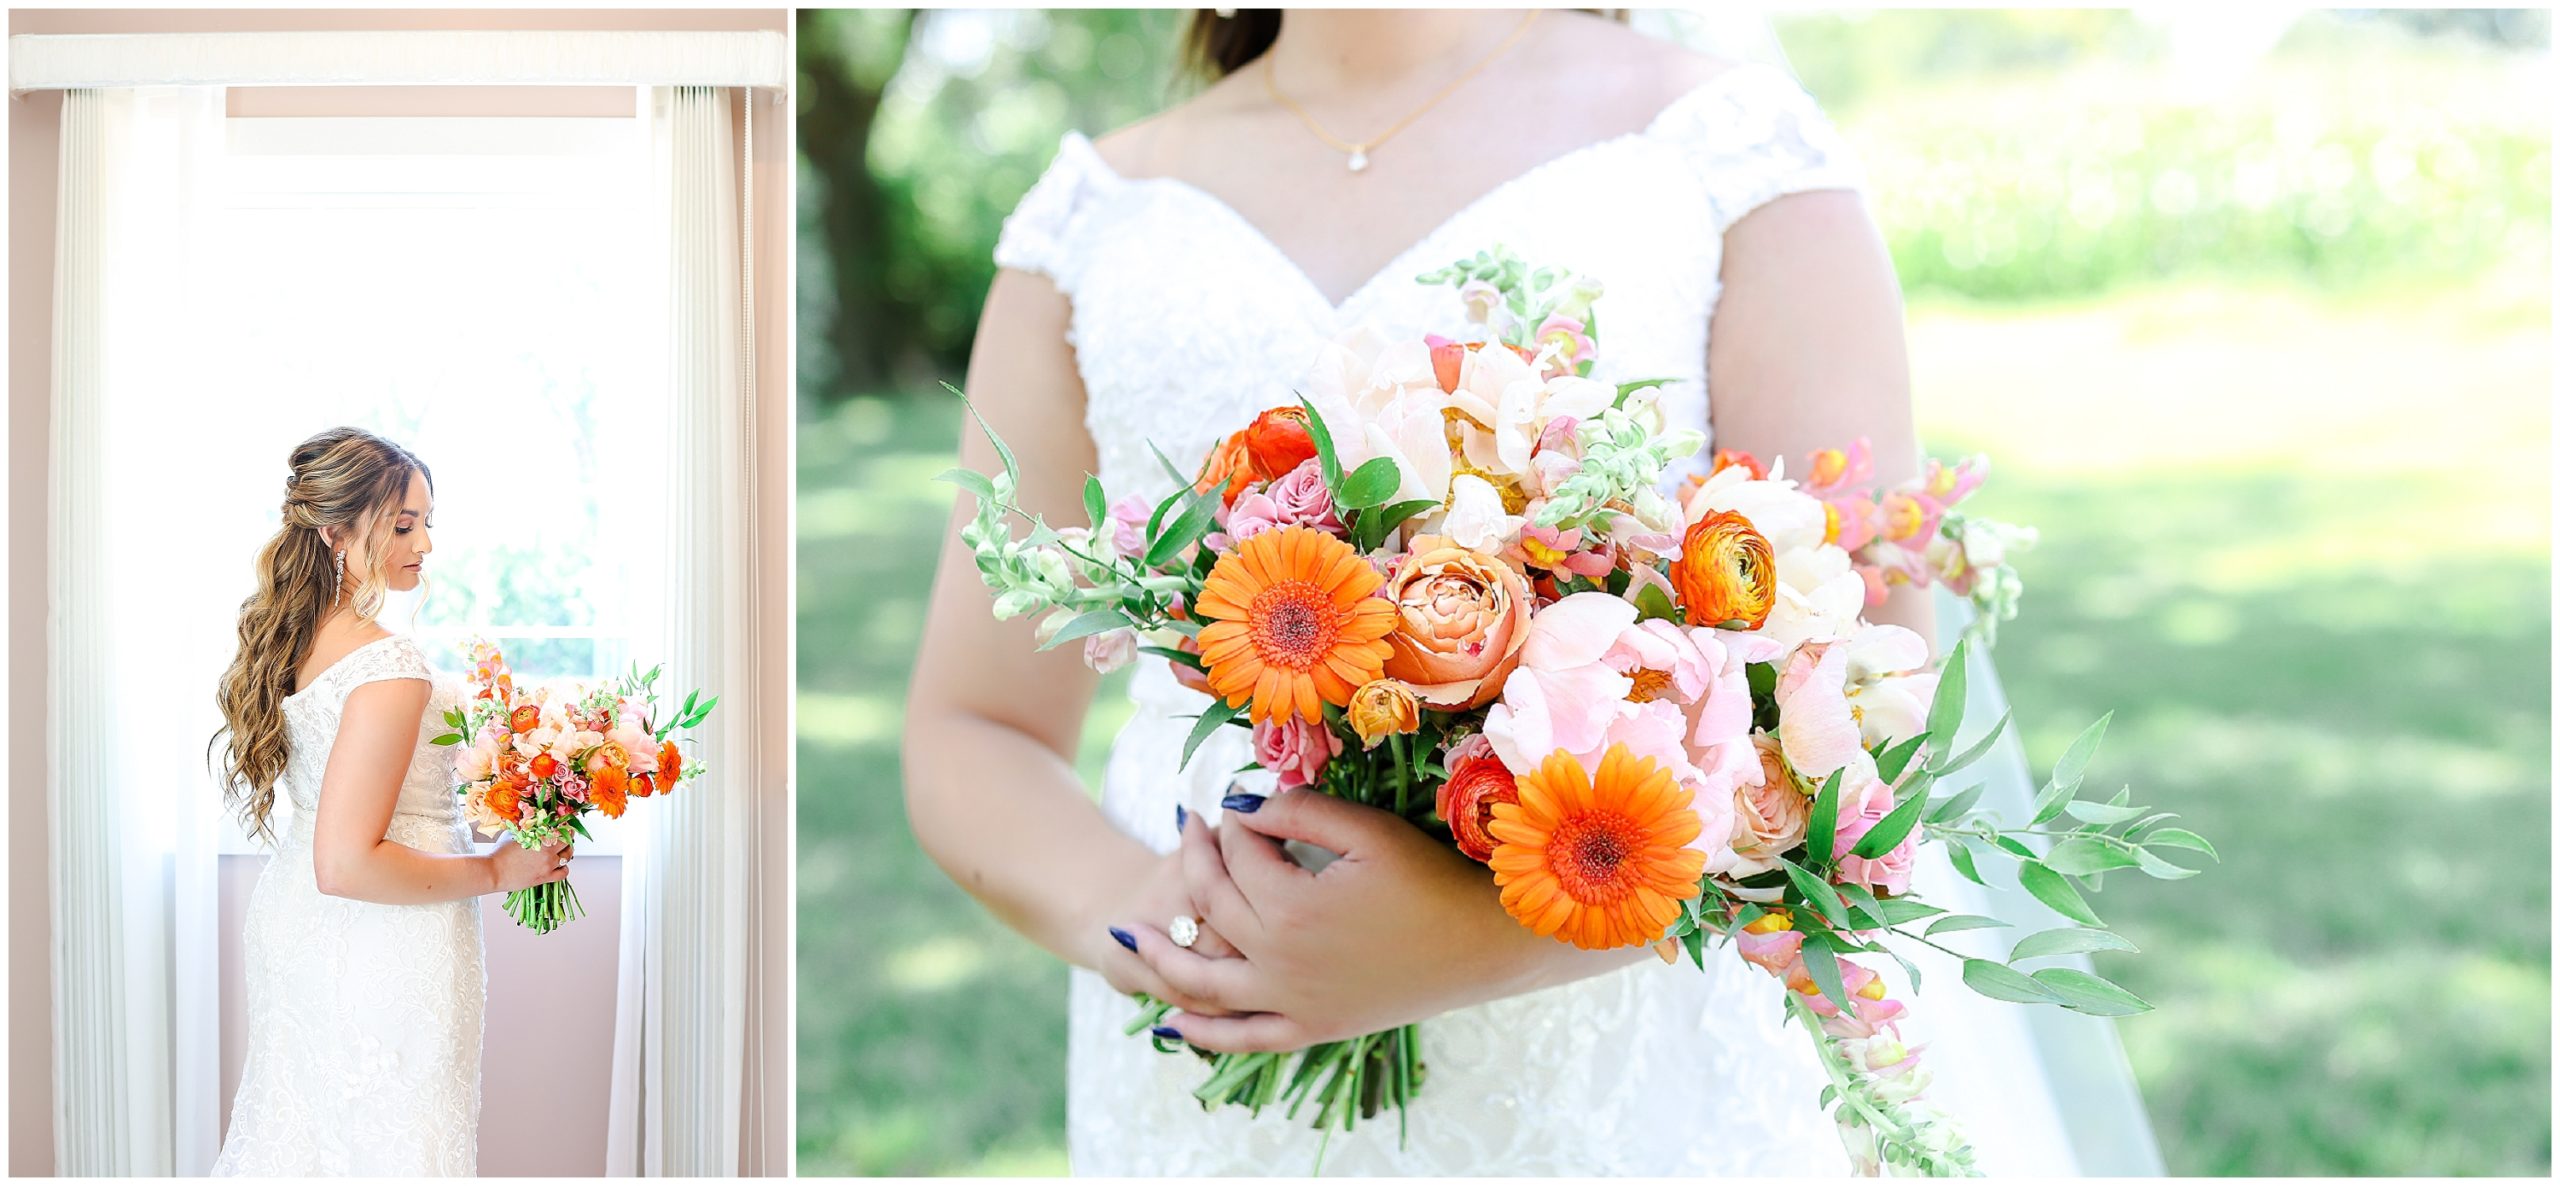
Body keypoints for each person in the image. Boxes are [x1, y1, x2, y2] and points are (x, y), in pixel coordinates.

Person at [905, 9, 2146, 1173]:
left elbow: (1869, 702)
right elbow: (974, 727)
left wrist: (1476, 936)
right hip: (1212, 1083)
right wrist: (1161, 925)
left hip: (1627, 1063)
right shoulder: (1091, 222)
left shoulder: (1723, 155)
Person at [209, 427, 570, 1176]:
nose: (425, 545)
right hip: (383, 939)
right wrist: (499, 871)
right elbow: (346, 863)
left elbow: (363, 802)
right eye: (404, 525)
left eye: (428, 523)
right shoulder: (387, 665)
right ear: (336, 531)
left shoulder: (301, 637)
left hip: (301, 926)